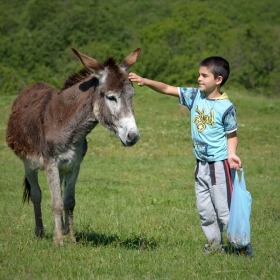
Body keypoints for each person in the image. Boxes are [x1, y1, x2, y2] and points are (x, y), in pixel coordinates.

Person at [129, 56, 253, 256]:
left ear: (218, 79)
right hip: (201, 166)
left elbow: (232, 134)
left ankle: (241, 247)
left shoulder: (227, 107)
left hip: (219, 166)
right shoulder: (194, 96)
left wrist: (232, 155)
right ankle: (214, 247)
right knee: (205, 211)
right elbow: (168, 88)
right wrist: (146, 81)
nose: (199, 78)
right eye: (199, 74)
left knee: (225, 212)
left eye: (204, 75)